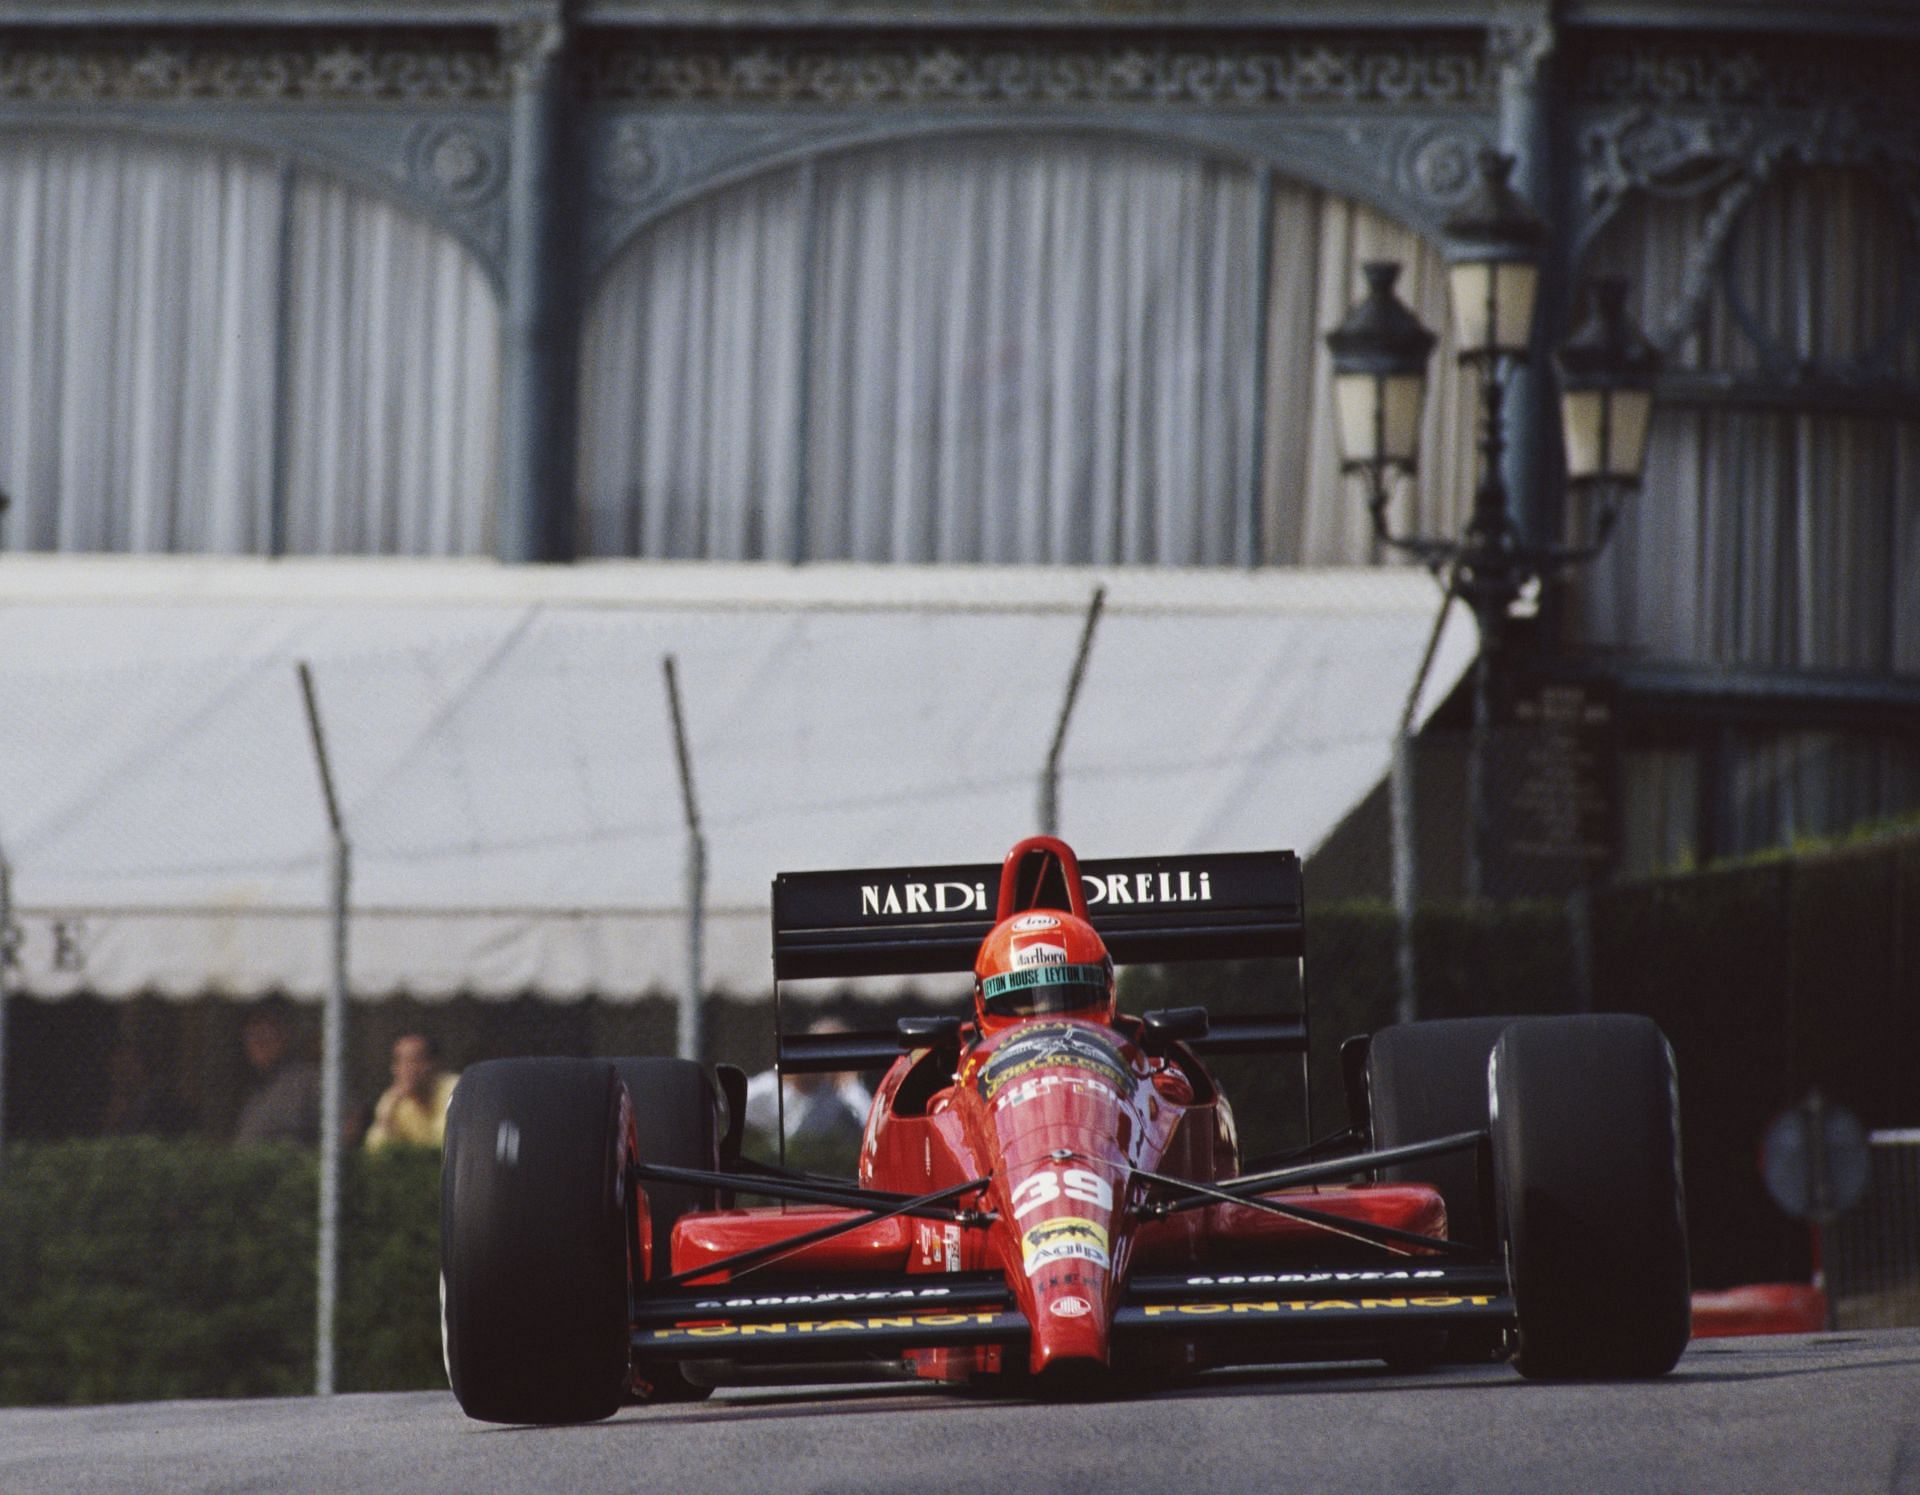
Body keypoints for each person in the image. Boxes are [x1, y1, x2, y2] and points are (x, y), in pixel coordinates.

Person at [742, 1019, 872, 1146]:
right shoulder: (770, 1087)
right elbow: (732, 1106)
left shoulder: (840, 1098)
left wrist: (850, 1085)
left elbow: (872, 1130)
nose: (825, 1061)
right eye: (821, 1049)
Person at [233, 1004, 321, 1145]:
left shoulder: (306, 1080)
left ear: (283, 1037)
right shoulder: (256, 1092)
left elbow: (350, 1121)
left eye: (265, 1036)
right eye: (251, 1038)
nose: (258, 1045)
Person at [364, 1033, 459, 1150]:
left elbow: (448, 1146)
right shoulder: (393, 1098)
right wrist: (388, 1113)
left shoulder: (457, 1090)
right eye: (400, 1062)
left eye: (415, 1060)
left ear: (435, 1064)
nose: (407, 1069)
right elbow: (375, 1152)